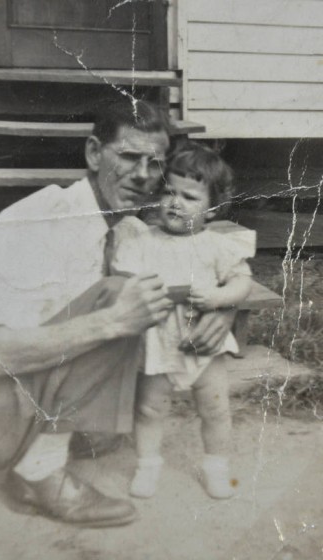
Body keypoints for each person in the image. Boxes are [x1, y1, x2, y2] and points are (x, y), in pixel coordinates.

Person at [0, 102, 236, 527]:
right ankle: (39, 476)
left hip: (23, 389)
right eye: (129, 157)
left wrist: (220, 310)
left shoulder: (127, 229)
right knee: (119, 298)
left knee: (135, 293)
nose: (144, 176)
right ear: (95, 153)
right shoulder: (42, 222)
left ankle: (49, 442)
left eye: (155, 163)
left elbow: (189, 279)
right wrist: (113, 321)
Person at [110, 142, 255, 500]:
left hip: (204, 342)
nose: (175, 203)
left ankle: (217, 467)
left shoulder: (218, 246)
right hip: (158, 340)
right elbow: (123, 277)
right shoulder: (144, 240)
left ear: (213, 207)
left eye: (190, 197)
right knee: (148, 408)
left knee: (216, 408)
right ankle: (148, 465)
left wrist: (220, 298)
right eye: (169, 192)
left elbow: (242, 281)